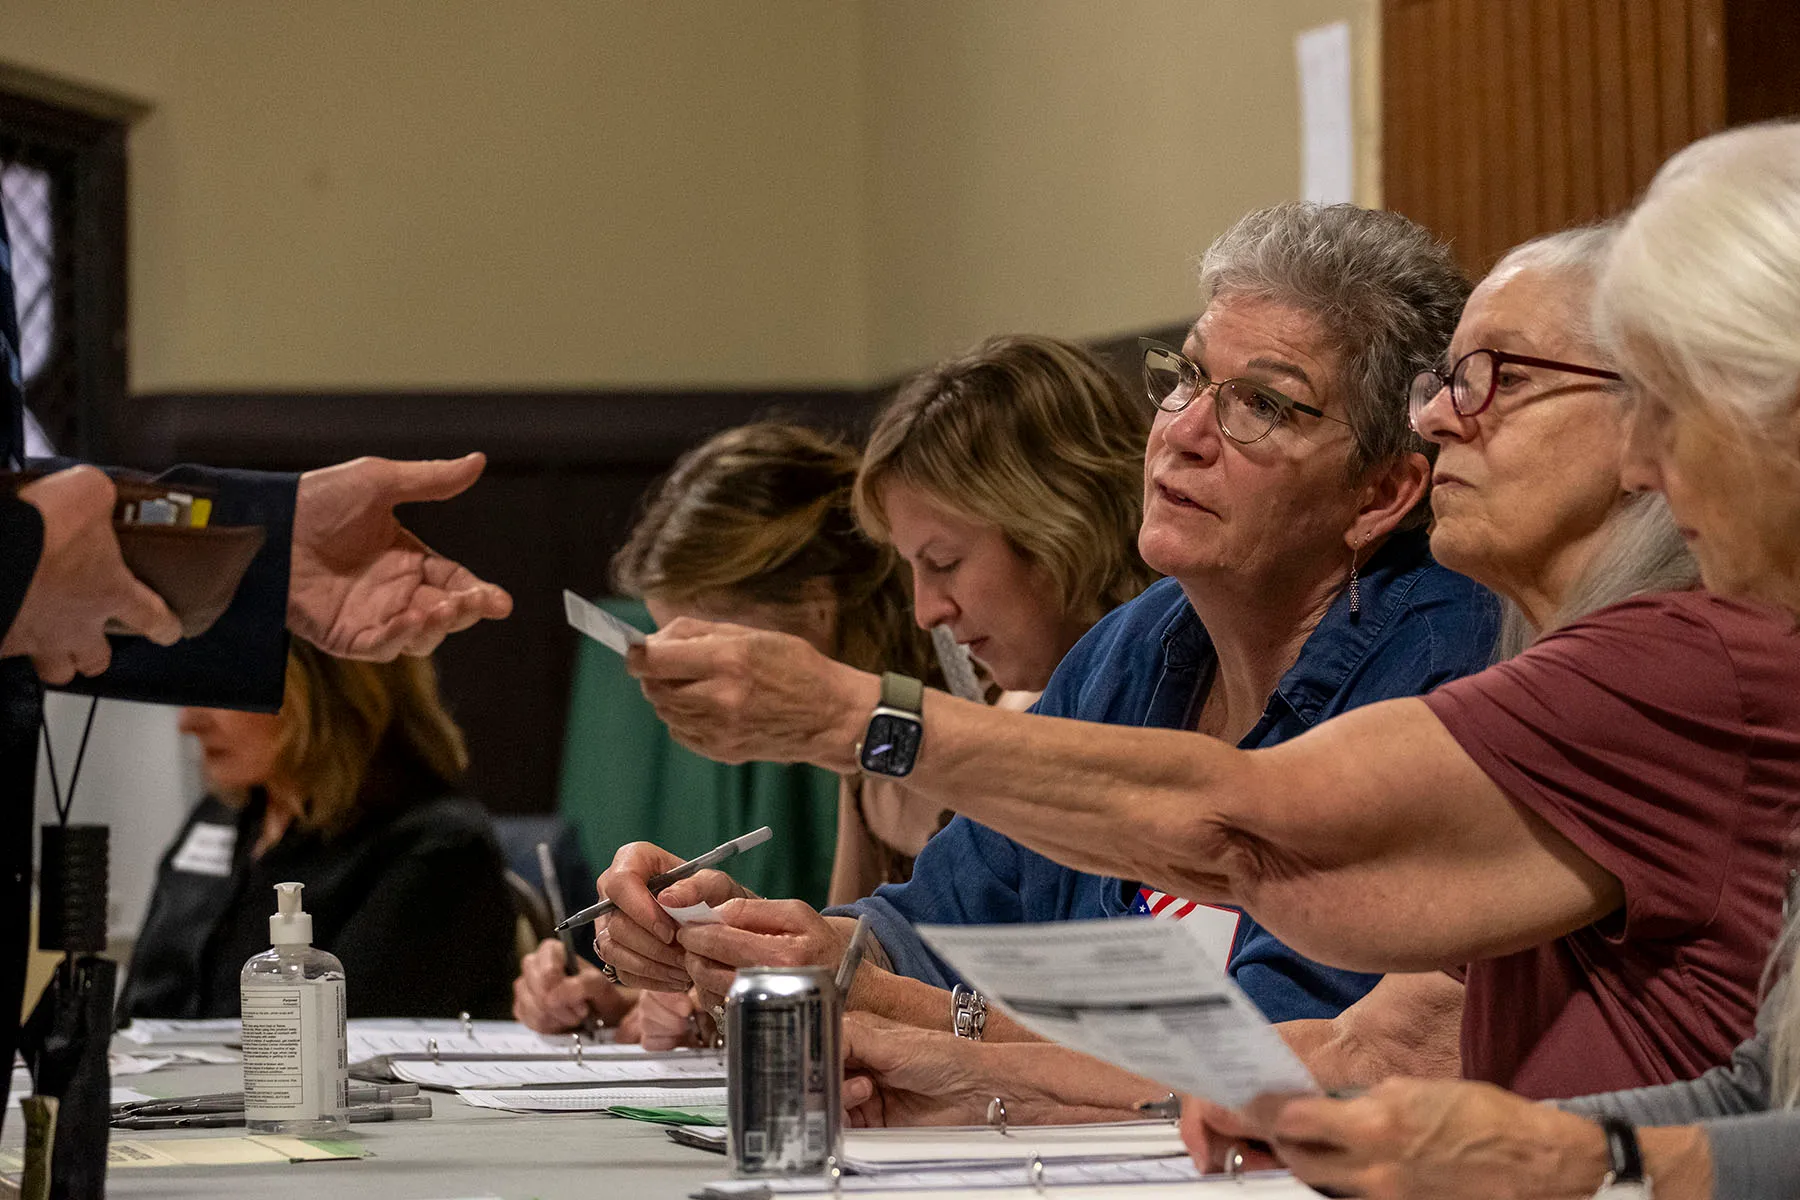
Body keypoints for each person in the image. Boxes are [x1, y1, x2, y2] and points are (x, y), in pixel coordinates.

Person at [621, 195, 1800, 1102]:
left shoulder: (1589, 654)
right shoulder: (1146, 642)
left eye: (1499, 382)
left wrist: (857, 723)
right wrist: (778, 952)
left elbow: (1252, 842)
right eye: (1186, 380)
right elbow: (1336, 1058)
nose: (1445, 416)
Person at [598, 203, 1501, 1040]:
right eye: (1187, 378)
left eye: (1261, 404)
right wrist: (746, 940)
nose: (1184, 430)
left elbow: (1256, 1053)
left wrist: (878, 995)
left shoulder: (1446, 665)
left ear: (1382, 493)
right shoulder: (1137, 644)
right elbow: (931, 926)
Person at [1182, 119, 1800, 1200]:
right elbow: (1765, 1092)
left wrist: (875, 722)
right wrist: (1533, 1146)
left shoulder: (1694, 652)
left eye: (1673, 403)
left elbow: (1281, 835)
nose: (1645, 456)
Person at [0, 206, 511, 1124]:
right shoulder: (221, 821)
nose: (192, 718)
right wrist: (23, 550)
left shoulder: (429, 843)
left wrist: (266, 550)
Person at [514, 422, 937, 1039]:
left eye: (699, 652)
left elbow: (902, 1000)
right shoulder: (862, 758)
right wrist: (668, 999)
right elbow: (845, 972)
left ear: (817, 604)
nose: (673, 693)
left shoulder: (945, 731)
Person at [839, 332, 1158, 897]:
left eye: (943, 562)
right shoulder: (997, 697)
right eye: (911, 566)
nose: (926, 613)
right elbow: (852, 945)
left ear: (1060, 528)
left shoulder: (1180, 699)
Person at [119, 641, 516, 1020]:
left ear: (326, 689)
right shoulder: (223, 814)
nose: (188, 722)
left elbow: (345, 1058)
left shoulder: (437, 847)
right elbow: (137, 1009)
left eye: (220, 689)